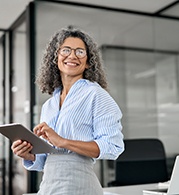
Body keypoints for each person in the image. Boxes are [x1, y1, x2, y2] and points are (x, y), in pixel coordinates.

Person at [11, 26, 124, 195]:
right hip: (49, 185)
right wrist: (29, 155)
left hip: (79, 184)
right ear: (55, 58)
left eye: (80, 52)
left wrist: (63, 141)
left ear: (88, 62)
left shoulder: (96, 95)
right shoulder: (49, 105)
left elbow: (113, 146)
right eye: (66, 50)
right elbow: (47, 158)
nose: (72, 56)